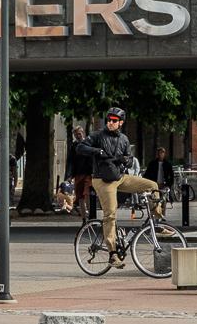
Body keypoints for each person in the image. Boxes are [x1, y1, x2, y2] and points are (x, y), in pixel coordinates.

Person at [81, 108, 160, 259]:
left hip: (120, 177)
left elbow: (130, 161)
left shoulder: (124, 139)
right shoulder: (98, 135)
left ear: (121, 123)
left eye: (114, 120)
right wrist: (97, 151)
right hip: (102, 179)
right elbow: (81, 147)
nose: (110, 122)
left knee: (152, 186)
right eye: (109, 120)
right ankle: (112, 254)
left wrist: (126, 160)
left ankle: (157, 222)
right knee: (111, 214)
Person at [67, 126, 96, 223]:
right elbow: (70, 161)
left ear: (83, 133)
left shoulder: (88, 143)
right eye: (76, 134)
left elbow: (92, 158)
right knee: (80, 197)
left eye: (79, 133)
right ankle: (84, 219)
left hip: (88, 174)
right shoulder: (74, 146)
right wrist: (69, 175)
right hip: (78, 174)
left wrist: (93, 172)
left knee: (87, 194)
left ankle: (91, 216)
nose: (78, 136)